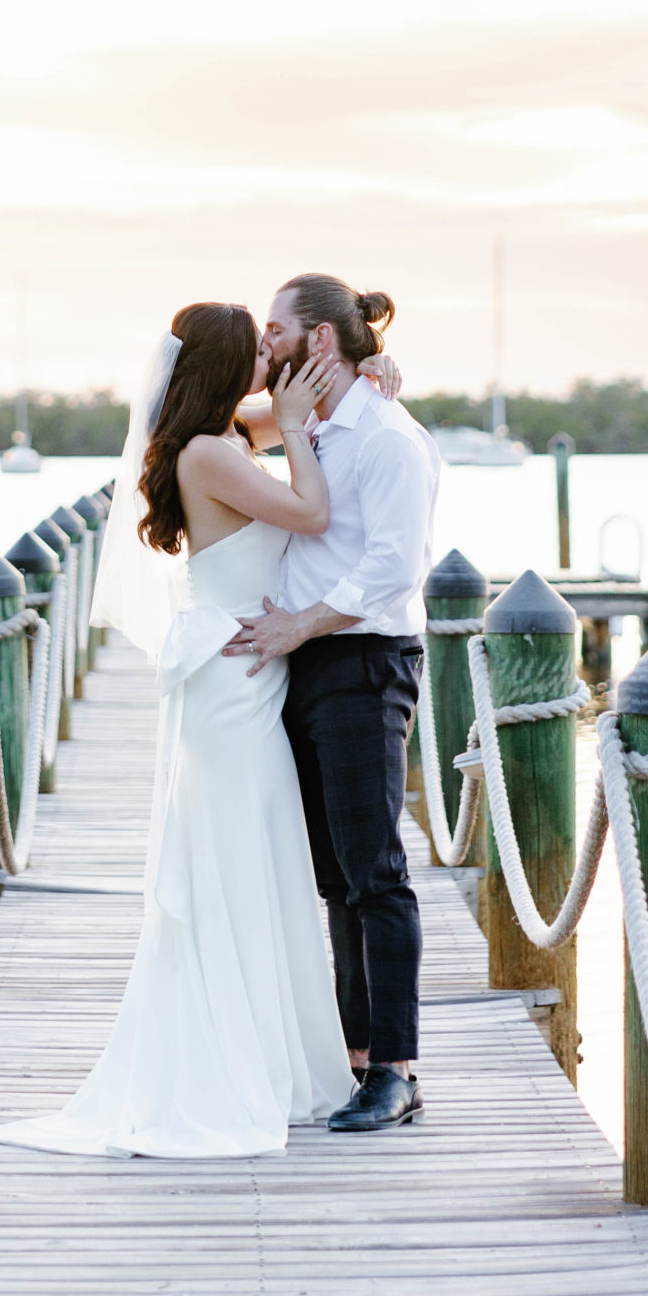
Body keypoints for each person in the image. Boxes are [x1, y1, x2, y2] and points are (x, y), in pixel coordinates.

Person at [0, 298, 401, 1158]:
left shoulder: (221, 436)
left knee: (260, 858)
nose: (267, 360)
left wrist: (379, 380)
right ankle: (230, 1058)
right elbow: (312, 513)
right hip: (234, 681)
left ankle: (274, 1051)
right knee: (237, 860)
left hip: (243, 670)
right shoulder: (211, 453)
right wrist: (300, 431)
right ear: (222, 364)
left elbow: (300, 414)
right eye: (254, 349)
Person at [224, 274, 441, 1132]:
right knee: (336, 878)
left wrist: (299, 626)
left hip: (361, 659)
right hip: (306, 657)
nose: (263, 341)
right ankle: (356, 1059)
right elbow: (214, 414)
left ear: (319, 341)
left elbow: (394, 569)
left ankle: (397, 1070)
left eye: (275, 328)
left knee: (376, 872)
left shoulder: (388, 437)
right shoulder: (302, 420)